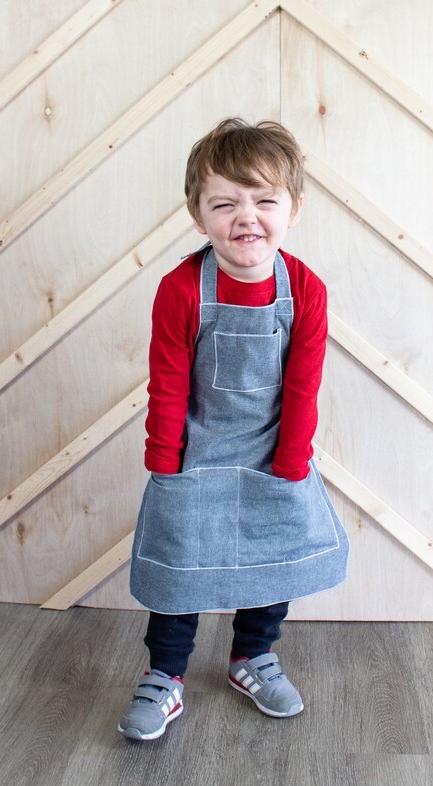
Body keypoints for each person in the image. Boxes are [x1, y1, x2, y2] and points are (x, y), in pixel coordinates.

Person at [118, 118, 349, 741]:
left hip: (276, 453)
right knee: (179, 568)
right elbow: (167, 382)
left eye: (264, 200)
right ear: (199, 214)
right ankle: (165, 674)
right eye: (225, 203)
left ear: (293, 209)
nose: (246, 217)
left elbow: (303, 384)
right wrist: (164, 465)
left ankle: (253, 655)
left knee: (270, 562)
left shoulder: (305, 291)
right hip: (196, 456)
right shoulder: (181, 289)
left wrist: (291, 464)